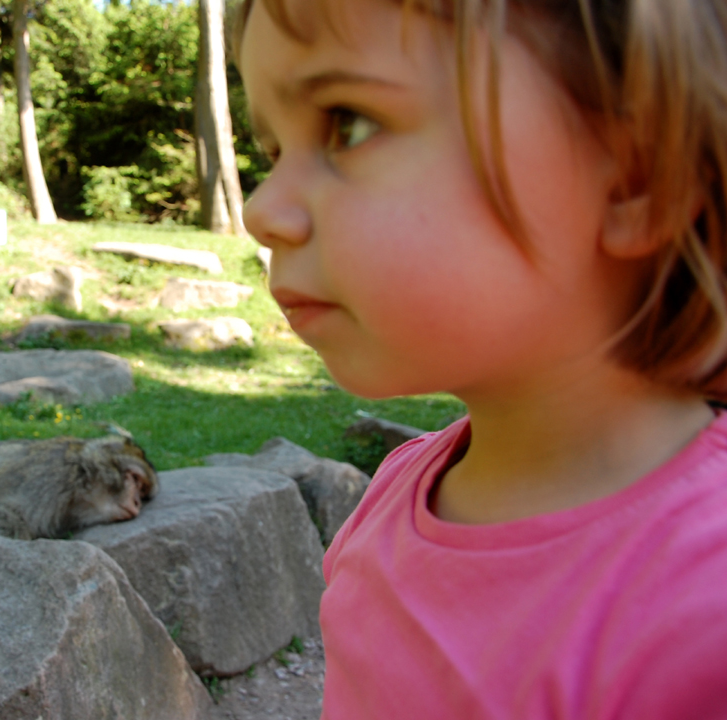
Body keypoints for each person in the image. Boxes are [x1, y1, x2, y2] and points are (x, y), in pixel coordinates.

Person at [234, 0, 727, 717]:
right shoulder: (399, 488)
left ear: (635, 181)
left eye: (349, 123)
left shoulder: (702, 609)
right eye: (273, 151)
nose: (260, 209)